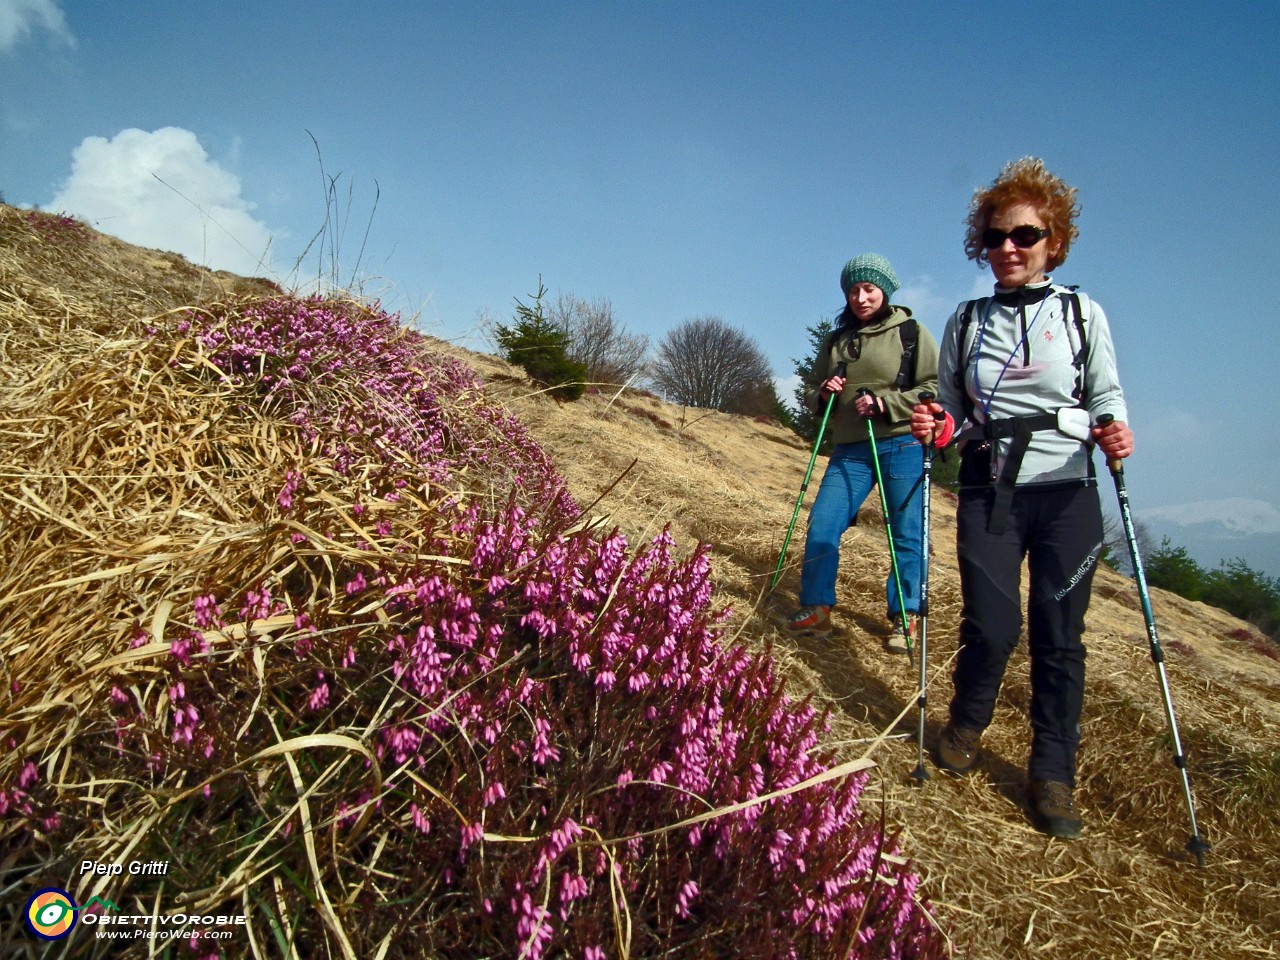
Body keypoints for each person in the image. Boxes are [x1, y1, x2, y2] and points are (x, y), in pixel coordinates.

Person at [910, 158, 1134, 840]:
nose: (1011, 247)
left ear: (1053, 243)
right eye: (999, 235)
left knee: (1060, 636)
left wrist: (1115, 427)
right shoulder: (968, 321)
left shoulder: (1080, 312)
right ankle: (967, 723)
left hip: (1068, 491)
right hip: (988, 488)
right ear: (983, 243)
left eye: (1027, 235)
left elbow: (1105, 392)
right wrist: (936, 425)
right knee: (993, 625)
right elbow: (950, 405)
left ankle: (1052, 772)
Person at [787, 253, 939, 653]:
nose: (861, 297)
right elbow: (811, 391)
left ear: (884, 291)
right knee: (824, 521)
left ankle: (905, 617)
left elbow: (934, 387)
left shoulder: (911, 332)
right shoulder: (837, 341)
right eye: (853, 290)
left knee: (906, 532)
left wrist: (886, 404)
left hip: (902, 443)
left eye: (869, 289)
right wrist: (823, 394)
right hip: (850, 449)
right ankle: (817, 609)